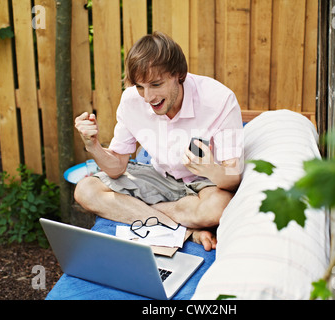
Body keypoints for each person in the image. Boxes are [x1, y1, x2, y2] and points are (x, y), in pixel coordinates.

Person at [74, 31, 244, 251]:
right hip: (159, 178)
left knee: (219, 208)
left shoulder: (219, 100)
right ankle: (185, 231)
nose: (147, 97)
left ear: (178, 74)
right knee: (85, 190)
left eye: (156, 85)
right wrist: (93, 145)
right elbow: (116, 168)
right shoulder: (131, 101)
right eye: (140, 86)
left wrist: (211, 169)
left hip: (204, 184)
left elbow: (233, 176)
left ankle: (144, 213)